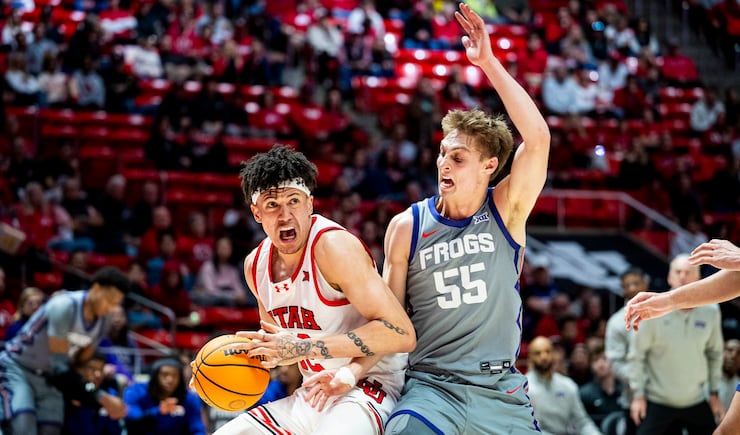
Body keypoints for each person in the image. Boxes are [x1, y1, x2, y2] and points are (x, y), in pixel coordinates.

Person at [383, 3, 551, 434]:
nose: (444, 163)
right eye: (443, 153)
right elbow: (386, 323)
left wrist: (488, 63)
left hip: (499, 389)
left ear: (489, 166)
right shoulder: (407, 227)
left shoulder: (507, 209)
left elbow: (537, 139)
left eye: (458, 158)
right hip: (431, 387)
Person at [211, 144, 415, 435]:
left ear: (309, 203)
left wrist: (307, 351)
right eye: (272, 205)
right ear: (256, 213)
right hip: (314, 393)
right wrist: (216, 369)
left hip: (368, 386)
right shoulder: (255, 266)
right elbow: (278, 352)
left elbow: (401, 333)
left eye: (293, 201)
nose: (285, 215)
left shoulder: (333, 247)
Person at [625, 239, 740, 435]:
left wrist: (713, 393)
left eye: (687, 272)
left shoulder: (711, 312)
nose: (682, 277)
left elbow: (714, 353)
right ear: (669, 277)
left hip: (696, 398)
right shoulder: (653, 315)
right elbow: (736, 279)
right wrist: (668, 301)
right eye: (678, 272)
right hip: (658, 399)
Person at [0, 266, 130, 435]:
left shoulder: (103, 322)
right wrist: (100, 397)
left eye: (116, 303)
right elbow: (59, 366)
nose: (110, 307)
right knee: (24, 428)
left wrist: (85, 391)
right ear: (96, 288)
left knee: (51, 429)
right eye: (109, 299)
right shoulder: (65, 305)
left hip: (49, 377)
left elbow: (79, 364)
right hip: (18, 368)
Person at [605, 267, 650, 435]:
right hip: (634, 398)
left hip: (669, 397)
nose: (632, 288)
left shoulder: (665, 314)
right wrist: (642, 380)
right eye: (627, 285)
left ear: (645, 283)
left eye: (636, 283)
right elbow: (615, 363)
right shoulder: (616, 322)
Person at [526, 336, 602, 435]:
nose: (543, 357)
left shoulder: (568, 385)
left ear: (553, 354)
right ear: (530, 357)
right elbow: (528, 428)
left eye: (547, 351)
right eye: (537, 353)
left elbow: (582, 422)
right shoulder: (523, 388)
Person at [123, 356, 206, 435]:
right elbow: (132, 421)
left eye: (175, 375)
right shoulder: (136, 391)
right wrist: (158, 411)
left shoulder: (190, 398)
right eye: (164, 374)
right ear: (155, 376)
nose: (170, 379)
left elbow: (198, 429)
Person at [63, 352, 123, 435]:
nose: (97, 374)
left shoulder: (108, 392)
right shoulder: (69, 389)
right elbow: (88, 387)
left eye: (101, 369)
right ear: (80, 369)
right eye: (92, 369)